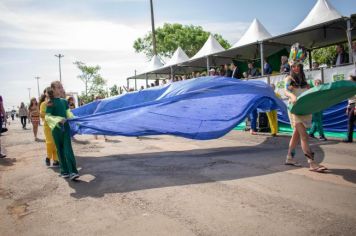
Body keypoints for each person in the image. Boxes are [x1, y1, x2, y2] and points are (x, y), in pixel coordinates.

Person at [284, 43, 327, 172]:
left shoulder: (303, 79)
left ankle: (289, 158)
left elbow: (310, 90)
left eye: (298, 66)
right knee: (304, 136)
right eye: (294, 66)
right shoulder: (289, 78)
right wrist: (292, 96)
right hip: (294, 109)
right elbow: (286, 91)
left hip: (304, 109)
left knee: (296, 136)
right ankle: (312, 162)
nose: (296, 68)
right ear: (291, 66)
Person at [46, 81, 79, 180]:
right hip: (56, 130)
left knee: (68, 149)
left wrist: (75, 118)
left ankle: (73, 171)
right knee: (59, 150)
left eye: (61, 87)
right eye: (59, 87)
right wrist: (58, 120)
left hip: (65, 129)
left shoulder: (64, 101)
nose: (61, 89)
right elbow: (48, 117)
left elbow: (68, 113)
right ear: (53, 89)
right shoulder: (50, 103)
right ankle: (64, 171)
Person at [40, 88, 59, 167]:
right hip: (47, 126)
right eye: (47, 93)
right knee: (50, 142)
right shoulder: (43, 104)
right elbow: (42, 115)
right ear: (45, 94)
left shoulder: (56, 103)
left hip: (56, 126)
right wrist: (49, 111)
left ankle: (55, 160)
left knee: (55, 143)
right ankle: (48, 157)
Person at [343, 75, 356, 143]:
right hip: (351, 106)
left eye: (350, 80)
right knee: (353, 122)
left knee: (350, 122)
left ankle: (349, 138)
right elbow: (349, 100)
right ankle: (349, 138)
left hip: (354, 105)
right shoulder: (350, 88)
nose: (348, 81)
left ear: (354, 80)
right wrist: (348, 108)